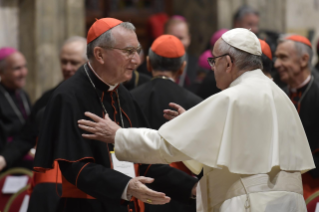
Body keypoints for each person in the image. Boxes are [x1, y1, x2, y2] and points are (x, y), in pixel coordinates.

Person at [78, 28, 314, 212]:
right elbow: (239, 153)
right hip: (289, 203)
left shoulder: (233, 97)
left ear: (228, 63)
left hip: (249, 204)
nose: (213, 68)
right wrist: (195, 133)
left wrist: (117, 135)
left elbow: (165, 145)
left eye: (214, 61)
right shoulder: (278, 94)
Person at [34, 18, 197, 212]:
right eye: (128, 52)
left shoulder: (123, 95)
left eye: (137, 51)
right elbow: (76, 167)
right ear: (100, 54)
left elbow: (146, 163)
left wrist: (191, 187)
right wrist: (126, 186)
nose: (136, 61)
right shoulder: (69, 97)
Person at [0, 36, 87, 212]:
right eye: (64, 62)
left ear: (88, 63)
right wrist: (3, 158)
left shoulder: (101, 95)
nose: (68, 68)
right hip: (55, 182)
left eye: (74, 62)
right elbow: (26, 136)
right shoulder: (49, 97)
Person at [131, 35, 202, 212]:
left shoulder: (129, 98)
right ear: (182, 68)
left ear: (148, 63)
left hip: (138, 190)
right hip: (182, 194)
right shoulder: (196, 103)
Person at [274, 34, 319, 200]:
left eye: (283, 57)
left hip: (313, 186)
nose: (277, 64)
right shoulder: (278, 94)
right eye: (276, 57)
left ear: (304, 59)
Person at [0, 47, 32, 169]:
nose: (23, 72)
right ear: (2, 72)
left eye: (25, 66)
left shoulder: (23, 95)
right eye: (17, 68)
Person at [164, 16, 198, 90]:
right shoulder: (152, 65)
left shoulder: (197, 65)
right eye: (172, 37)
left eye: (181, 38)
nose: (176, 42)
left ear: (189, 39)